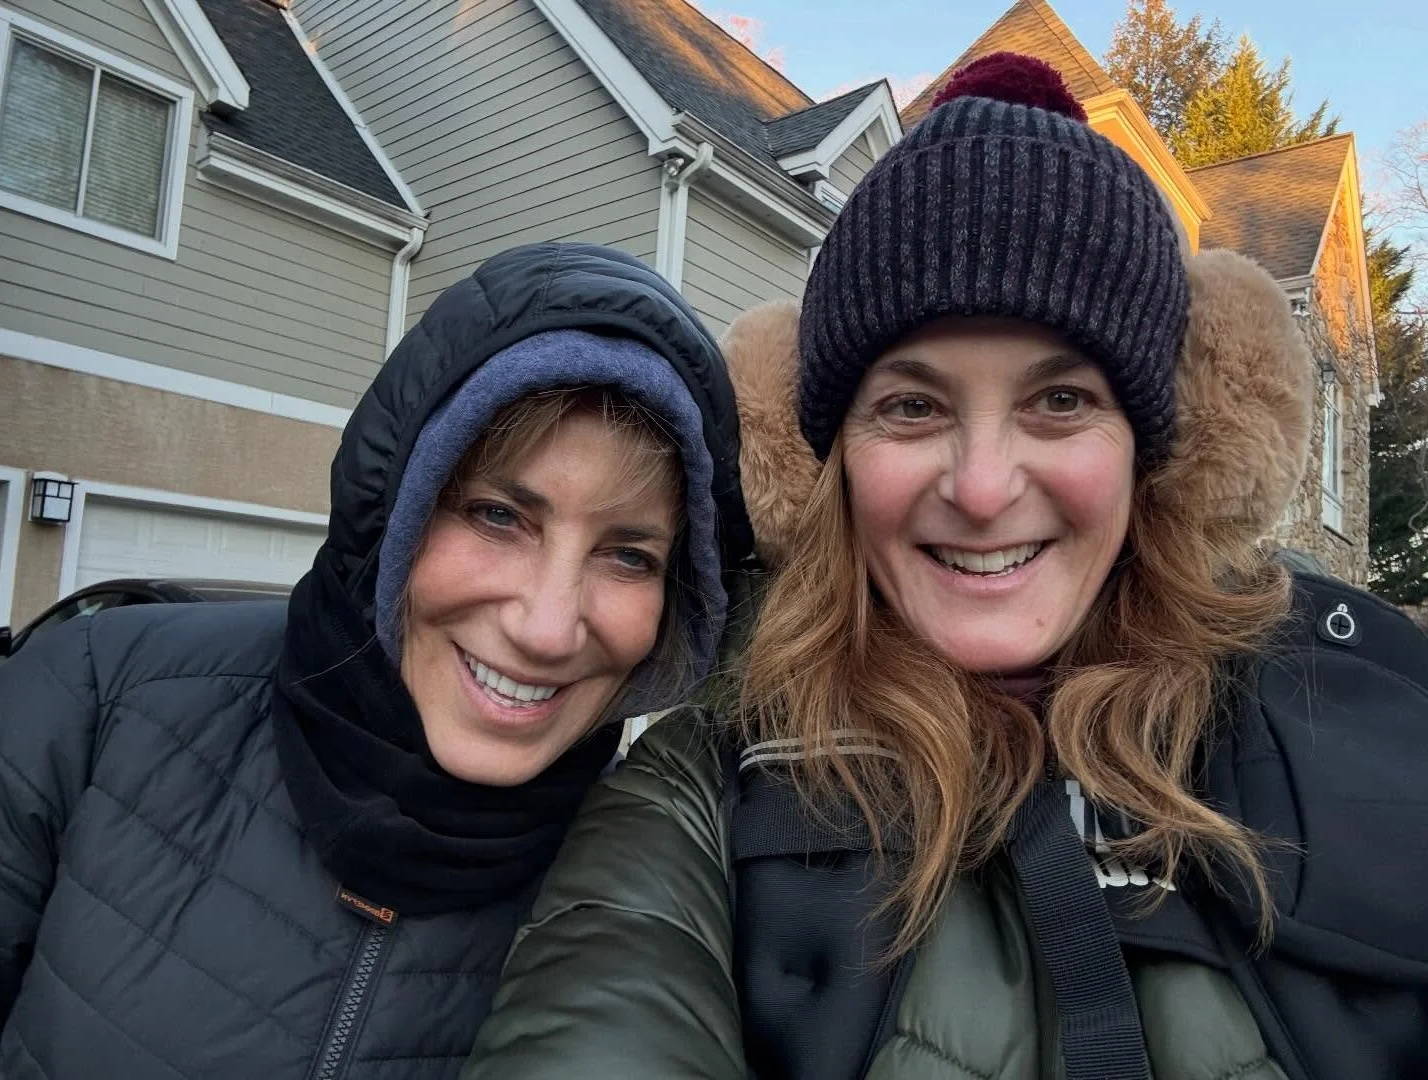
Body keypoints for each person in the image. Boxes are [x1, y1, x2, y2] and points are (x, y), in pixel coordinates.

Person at [462, 56, 1428, 1080]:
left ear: (1155, 451)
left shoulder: (1359, 719)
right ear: (825, 462)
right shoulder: (700, 797)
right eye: (912, 406)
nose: (980, 488)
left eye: (1060, 401)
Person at [0, 242, 754, 1078]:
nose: (546, 628)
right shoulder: (94, 700)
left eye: (629, 556)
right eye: (498, 516)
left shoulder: (659, 882)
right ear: (391, 511)